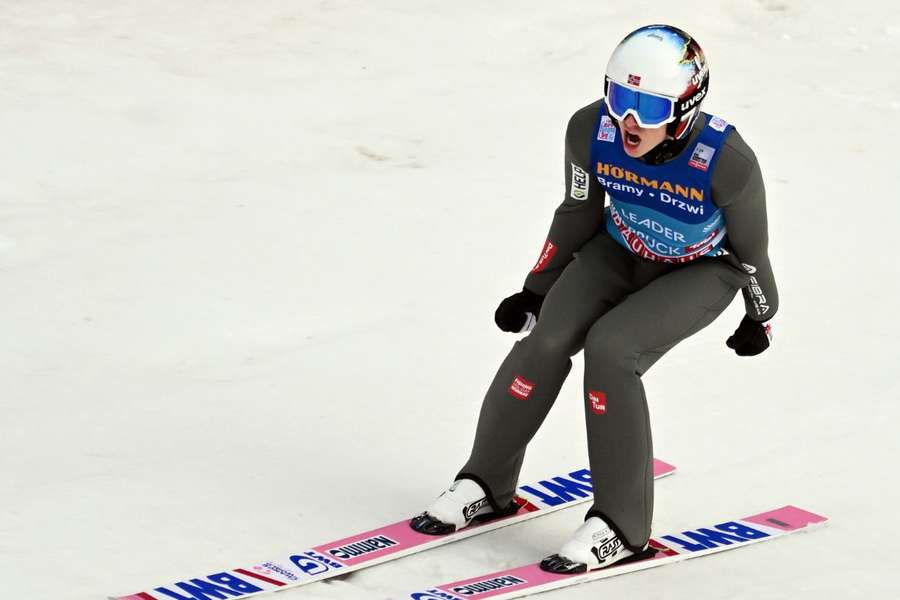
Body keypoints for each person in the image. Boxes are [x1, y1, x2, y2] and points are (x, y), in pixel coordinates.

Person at [409, 24, 778, 573]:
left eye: (649, 108)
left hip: (701, 271)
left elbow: (752, 251)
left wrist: (761, 314)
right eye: (621, 99)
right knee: (547, 336)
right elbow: (578, 212)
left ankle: (621, 526)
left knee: (612, 350)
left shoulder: (727, 161)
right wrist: (535, 288)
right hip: (619, 248)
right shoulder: (590, 130)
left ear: (684, 107)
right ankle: (485, 481)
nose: (630, 121)